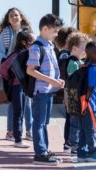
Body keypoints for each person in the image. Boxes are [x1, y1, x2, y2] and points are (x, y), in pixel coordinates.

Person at [26, 14, 64, 165]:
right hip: (41, 91)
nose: (56, 34)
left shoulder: (49, 45)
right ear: (45, 29)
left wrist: (56, 80)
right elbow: (31, 70)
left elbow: (51, 69)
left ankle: (45, 150)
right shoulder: (37, 46)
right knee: (39, 122)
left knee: (44, 122)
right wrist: (52, 80)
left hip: (48, 91)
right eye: (55, 31)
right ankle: (40, 154)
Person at [0, 7, 33, 141]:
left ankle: (29, 131)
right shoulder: (4, 34)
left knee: (28, 102)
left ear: (21, 17)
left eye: (16, 15)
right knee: (13, 102)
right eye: (11, 16)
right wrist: (10, 64)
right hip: (12, 72)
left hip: (26, 71)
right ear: (8, 19)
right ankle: (11, 131)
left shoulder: (28, 32)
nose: (14, 17)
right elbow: (1, 53)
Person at [0, 29, 35, 148]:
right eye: (32, 41)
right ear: (24, 42)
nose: (34, 43)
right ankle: (18, 140)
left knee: (21, 112)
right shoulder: (17, 54)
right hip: (17, 87)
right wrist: (12, 78)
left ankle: (18, 138)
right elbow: (3, 68)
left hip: (24, 87)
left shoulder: (29, 53)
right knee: (18, 112)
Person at [76, 41, 96, 162]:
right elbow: (90, 87)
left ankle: (82, 152)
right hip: (90, 105)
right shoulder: (94, 69)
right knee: (91, 130)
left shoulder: (85, 65)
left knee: (83, 130)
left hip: (83, 104)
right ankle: (93, 152)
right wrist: (86, 103)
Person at [64, 32, 91, 155]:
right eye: (84, 48)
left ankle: (72, 143)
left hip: (74, 96)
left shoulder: (76, 62)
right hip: (73, 96)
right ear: (74, 48)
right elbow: (73, 81)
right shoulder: (73, 63)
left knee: (75, 121)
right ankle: (71, 144)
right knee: (75, 121)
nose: (86, 51)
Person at [54, 26, 78, 153]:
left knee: (70, 118)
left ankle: (69, 143)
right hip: (70, 91)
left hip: (66, 90)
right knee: (72, 118)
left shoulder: (63, 53)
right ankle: (70, 144)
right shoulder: (66, 55)